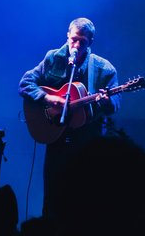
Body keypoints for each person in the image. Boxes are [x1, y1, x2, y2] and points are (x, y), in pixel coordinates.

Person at [18, 17, 121, 219]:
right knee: (52, 195)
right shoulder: (53, 57)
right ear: (67, 36)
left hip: (87, 140)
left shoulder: (104, 69)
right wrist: (48, 98)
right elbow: (25, 83)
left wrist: (107, 101)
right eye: (73, 39)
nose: (76, 45)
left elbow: (115, 105)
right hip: (56, 138)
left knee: (83, 198)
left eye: (82, 41)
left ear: (90, 42)